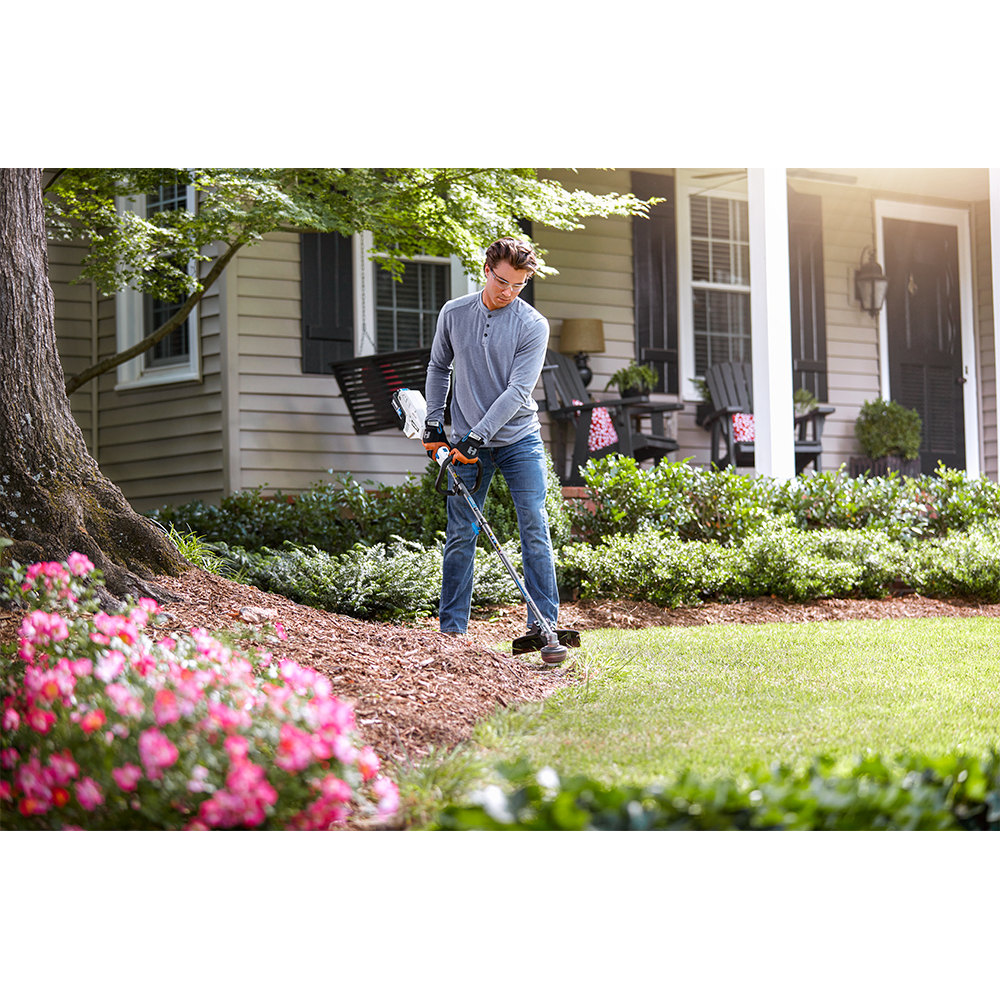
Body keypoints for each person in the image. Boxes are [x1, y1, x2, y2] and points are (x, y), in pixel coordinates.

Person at [423, 236, 559, 643]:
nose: (508, 292)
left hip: (519, 440)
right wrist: (433, 424)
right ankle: (452, 632)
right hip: (467, 442)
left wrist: (476, 436)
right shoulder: (454, 313)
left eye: (519, 285)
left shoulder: (532, 325)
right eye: (502, 282)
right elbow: (438, 368)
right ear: (486, 270)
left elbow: (518, 392)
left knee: (534, 525)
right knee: (461, 533)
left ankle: (544, 626)